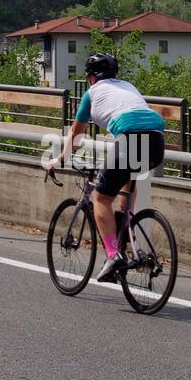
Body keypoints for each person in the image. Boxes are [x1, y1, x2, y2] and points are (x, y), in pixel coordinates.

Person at [47, 52, 165, 282]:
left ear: (91, 77)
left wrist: (59, 160)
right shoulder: (128, 86)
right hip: (156, 139)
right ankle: (126, 225)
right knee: (128, 178)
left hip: (130, 138)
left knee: (100, 198)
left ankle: (113, 255)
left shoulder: (92, 93)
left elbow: (76, 134)